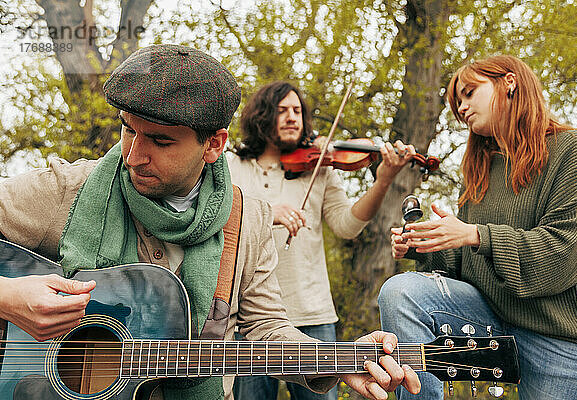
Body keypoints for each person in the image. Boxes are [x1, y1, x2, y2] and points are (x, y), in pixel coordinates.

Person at [0, 44, 421, 400]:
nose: (132, 155)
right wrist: (7, 296)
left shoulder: (248, 218)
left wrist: (339, 358)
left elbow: (265, 327)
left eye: (160, 141)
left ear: (214, 145)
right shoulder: (70, 190)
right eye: (128, 131)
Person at [379, 54, 577, 399]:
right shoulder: (479, 170)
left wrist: (475, 234)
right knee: (401, 292)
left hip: (562, 335)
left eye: (469, 93)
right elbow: (471, 265)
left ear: (509, 82)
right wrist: (427, 246)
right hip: (495, 317)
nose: (463, 108)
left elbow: (562, 257)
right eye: (457, 103)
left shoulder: (574, 149)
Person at [228, 81, 417, 400]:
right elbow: (218, 221)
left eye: (298, 111)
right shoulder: (233, 165)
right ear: (262, 115)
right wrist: (266, 211)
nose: (292, 117)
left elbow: (347, 225)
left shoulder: (320, 168)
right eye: (282, 110)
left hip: (312, 314)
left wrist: (383, 180)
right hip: (251, 319)